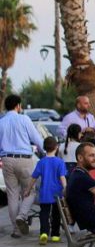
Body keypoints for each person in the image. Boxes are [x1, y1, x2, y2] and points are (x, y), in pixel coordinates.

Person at [0, 95, 45, 237]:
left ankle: (16, 229)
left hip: (6, 159)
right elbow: (37, 139)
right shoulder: (24, 119)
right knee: (30, 191)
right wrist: (46, 152)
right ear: (18, 106)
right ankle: (22, 215)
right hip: (25, 160)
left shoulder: (1, 122)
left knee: (12, 194)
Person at [24, 137, 66, 244]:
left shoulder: (41, 162)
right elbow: (62, 178)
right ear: (56, 147)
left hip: (45, 193)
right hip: (57, 193)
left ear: (44, 148)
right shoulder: (60, 162)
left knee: (44, 214)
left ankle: (44, 233)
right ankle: (55, 235)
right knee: (57, 214)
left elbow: (34, 177)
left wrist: (28, 189)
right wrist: (66, 189)